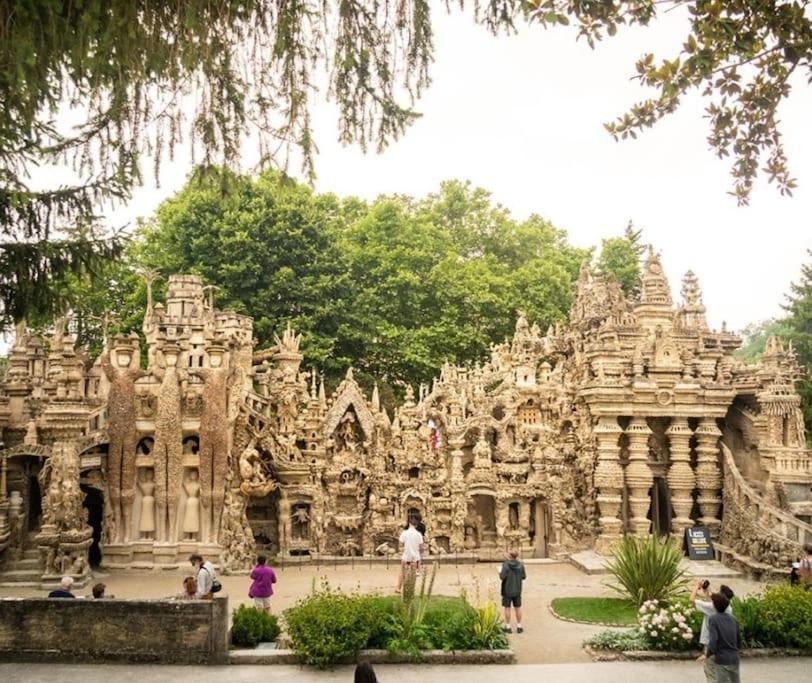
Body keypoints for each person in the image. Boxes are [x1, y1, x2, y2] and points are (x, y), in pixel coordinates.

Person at [691, 577, 734, 665]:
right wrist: (706, 590)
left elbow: (691, 600)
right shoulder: (728, 608)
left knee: (711, 670)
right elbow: (712, 602)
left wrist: (696, 586)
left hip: (711, 643)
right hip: (724, 643)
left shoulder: (711, 607)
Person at [705, 592, 741, 683]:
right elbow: (738, 638)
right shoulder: (733, 619)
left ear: (715, 605)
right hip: (734, 657)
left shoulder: (713, 619)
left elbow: (714, 640)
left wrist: (707, 654)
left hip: (721, 659)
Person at [499, 550, 526, 633]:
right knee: (518, 607)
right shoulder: (521, 565)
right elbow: (524, 576)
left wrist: (499, 572)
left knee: (507, 608)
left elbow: (502, 577)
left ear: (510, 556)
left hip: (507, 590)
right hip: (517, 589)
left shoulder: (506, 565)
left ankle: (508, 626)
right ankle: (519, 626)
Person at [396, 515, 424, 593]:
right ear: (417, 524)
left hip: (406, 557)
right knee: (414, 574)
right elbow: (421, 547)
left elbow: (400, 544)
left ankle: (399, 588)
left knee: (402, 572)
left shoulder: (404, 533)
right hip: (416, 558)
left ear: (409, 523)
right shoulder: (418, 534)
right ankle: (411, 589)